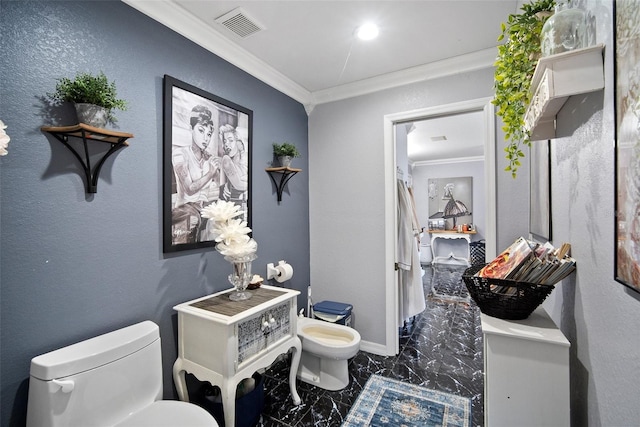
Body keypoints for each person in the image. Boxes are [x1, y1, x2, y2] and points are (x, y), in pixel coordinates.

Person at [171, 105, 220, 244]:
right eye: (201, 130)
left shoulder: (208, 158)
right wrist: (211, 172)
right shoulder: (180, 154)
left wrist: (217, 170)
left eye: (209, 134)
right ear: (191, 129)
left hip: (204, 209)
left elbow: (218, 186)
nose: (206, 138)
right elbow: (190, 189)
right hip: (185, 209)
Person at [218, 124, 248, 206]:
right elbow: (238, 185)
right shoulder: (226, 160)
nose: (227, 144)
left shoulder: (244, 158)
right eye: (225, 141)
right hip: (230, 207)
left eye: (230, 140)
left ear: (237, 142)